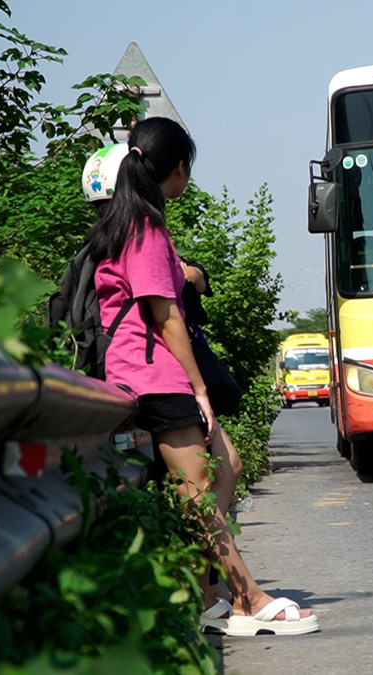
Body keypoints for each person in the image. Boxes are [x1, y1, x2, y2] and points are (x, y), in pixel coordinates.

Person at [83, 121, 319, 637]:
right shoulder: (144, 230)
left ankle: (203, 592)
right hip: (154, 374)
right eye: (187, 166)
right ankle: (248, 599)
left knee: (227, 465)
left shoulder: (133, 224)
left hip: (150, 370)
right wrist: (199, 388)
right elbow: (166, 316)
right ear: (177, 168)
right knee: (199, 490)